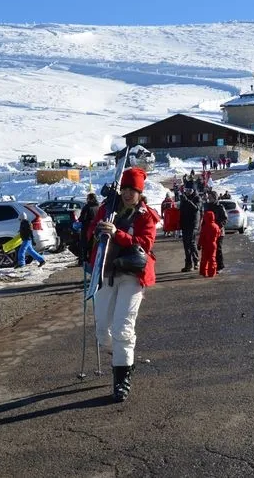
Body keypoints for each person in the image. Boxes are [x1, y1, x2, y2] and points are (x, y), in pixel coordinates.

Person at [87, 167, 159, 402]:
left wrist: (118, 233)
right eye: (125, 189)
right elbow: (91, 231)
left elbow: (145, 244)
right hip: (106, 272)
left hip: (132, 275)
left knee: (122, 329)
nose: (128, 194)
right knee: (102, 330)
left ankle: (122, 376)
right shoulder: (108, 209)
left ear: (140, 192)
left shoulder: (146, 215)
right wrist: (96, 232)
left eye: (133, 190)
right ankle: (120, 354)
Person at [202, 191, 228, 272]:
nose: (209, 199)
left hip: (218, 231)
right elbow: (205, 219)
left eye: (211, 197)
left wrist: (217, 226)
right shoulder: (207, 206)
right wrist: (203, 228)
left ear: (215, 198)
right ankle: (212, 266)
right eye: (208, 197)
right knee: (209, 249)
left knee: (217, 249)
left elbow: (225, 219)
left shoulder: (219, 207)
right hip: (209, 232)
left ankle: (220, 266)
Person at [178, 187, 201, 272]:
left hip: (193, 224)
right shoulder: (184, 198)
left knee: (191, 242)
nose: (187, 191)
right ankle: (188, 264)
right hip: (185, 224)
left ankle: (196, 261)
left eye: (189, 190)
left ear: (193, 190)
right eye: (186, 190)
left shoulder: (197, 198)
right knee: (186, 244)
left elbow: (196, 208)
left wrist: (187, 201)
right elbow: (181, 211)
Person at [77, 193, 101, 267]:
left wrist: (80, 220)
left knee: (84, 245)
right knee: (93, 245)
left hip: (87, 228)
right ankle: (92, 259)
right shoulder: (99, 206)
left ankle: (83, 260)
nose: (86, 200)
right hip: (97, 228)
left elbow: (82, 218)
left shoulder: (87, 207)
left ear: (90, 199)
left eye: (87, 198)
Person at [197, 211, 221, 278]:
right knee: (212, 258)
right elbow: (219, 234)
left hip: (205, 245)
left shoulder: (205, 227)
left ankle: (204, 272)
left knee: (204, 259)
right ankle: (212, 272)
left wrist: (199, 244)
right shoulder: (216, 226)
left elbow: (202, 237)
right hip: (213, 244)